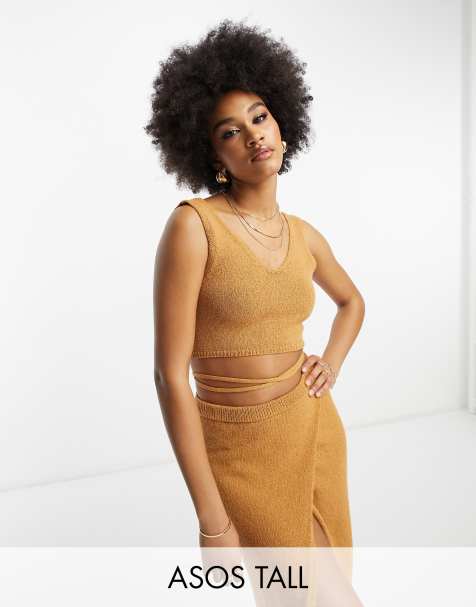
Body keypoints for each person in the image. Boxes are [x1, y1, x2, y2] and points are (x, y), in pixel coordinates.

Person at [146, 18, 365, 594]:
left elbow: (351, 302)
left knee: (328, 591)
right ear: (213, 154)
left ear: (283, 125)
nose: (253, 136)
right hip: (239, 452)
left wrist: (331, 361)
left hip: (313, 427)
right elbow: (169, 377)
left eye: (260, 117)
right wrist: (212, 521)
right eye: (230, 131)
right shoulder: (194, 227)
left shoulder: (304, 234)